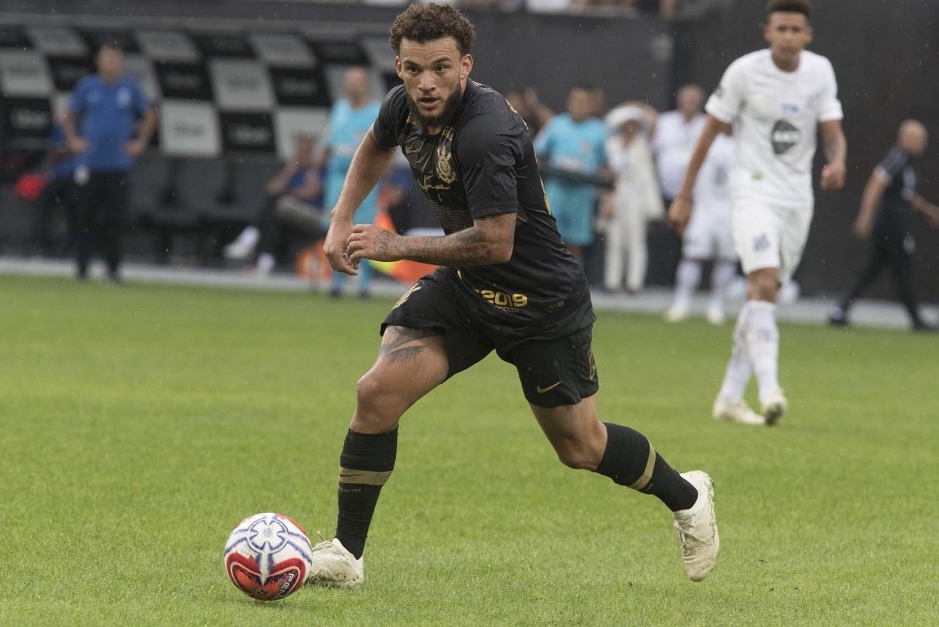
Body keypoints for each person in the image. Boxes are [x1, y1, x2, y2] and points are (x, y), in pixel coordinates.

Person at [310, 2, 719, 589]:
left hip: (540, 300)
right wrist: (340, 218)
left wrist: (392, 242)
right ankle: (347, 557)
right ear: (397, 66)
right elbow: (376, 145)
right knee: (377, 393)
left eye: (442, 69)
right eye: (413, 68)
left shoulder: (485, 132)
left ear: (466, 65)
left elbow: (497, 243)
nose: (427, 83)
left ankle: (688, 496)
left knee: (581, 447)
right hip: (467, 288)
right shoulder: (404, 104)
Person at [668, 0, 846, 426]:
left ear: (808, 35)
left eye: (795, 30)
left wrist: (837, 161)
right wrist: (685, 195)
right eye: (781, 28)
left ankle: (730, 396)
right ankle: (769, 389)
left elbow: (832, 132)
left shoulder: (820, 71)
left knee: (763, 295)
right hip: (752, 193)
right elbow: (708, 134)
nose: (788, 37)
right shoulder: (744, 72)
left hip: (797, 199)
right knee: (763, 283)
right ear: (767, 31)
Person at [828, 120, 939, 331]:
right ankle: (916, 319)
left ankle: (840, 309)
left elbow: (905, 194)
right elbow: (876, 182)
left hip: (891, 228)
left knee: (871, 270)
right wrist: (865, 216)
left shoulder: (907, 163)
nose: (922, 144)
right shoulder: (897, 157)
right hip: (891, 227)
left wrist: (926, 209)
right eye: (918, 139)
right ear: (904, 138)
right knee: (903, 272)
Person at [63, 41, 157, 282]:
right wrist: (73, 139)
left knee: (115, 219)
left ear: (121, 62)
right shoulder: (88, 86)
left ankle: (113, 269)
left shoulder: (129, 87)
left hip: (118, 166)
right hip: (90, 164)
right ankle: (82, 268)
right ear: (99, 61)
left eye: (115, 59)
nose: (111, 63)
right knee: (85, 217)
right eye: (107, 58)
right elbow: (68, 113)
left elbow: (149, 115)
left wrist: (141, 141)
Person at [223, 133, 325, 276]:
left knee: (278, 202)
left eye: (306, 150)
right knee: (274, 213)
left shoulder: (318, 169)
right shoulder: (293, 169)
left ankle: (250, 237)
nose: (302, 154)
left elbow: (312, 191)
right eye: (300, 150)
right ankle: (265, 260)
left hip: (312, 214)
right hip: (287, 212)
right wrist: (289, 170)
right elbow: (271, 189)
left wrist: (312, 170)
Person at [664, 133, 738, 325]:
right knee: (692, 255)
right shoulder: (704, 137)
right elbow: (681, 164)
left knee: (726, 259)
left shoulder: (746, 141)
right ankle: (681, 303)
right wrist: (683, 198)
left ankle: (717, 306)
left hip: (732, 210)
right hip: (704, 208)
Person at [324, 67, 383, 298]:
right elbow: (328, 143)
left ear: (366, 84)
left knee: (362, 231)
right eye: (349, 82)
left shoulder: (375, 112)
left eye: (357, 82)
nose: (353, 86)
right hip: (336, 177)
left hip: (364, 179)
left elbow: (383, 149)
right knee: (335, 227)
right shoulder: (338, 109)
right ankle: (336, 283)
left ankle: (363, 284)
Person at [534, 84, 609, 262]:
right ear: (569, 102)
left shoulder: (600, 130)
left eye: (584, 101)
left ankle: (574, 285)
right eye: (576, 101)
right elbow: (536, 154)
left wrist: (606, 195)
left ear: (591, 105)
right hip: (556, 191)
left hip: (582, 195)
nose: (579, 105)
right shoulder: (556, 125)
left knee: (576, 242)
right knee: (550, 239)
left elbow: (607, 165)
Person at [601, 102, 663, 294]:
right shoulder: (610, 145)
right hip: (615, 195)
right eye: (627, 123)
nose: (630, 127)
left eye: (634, 123)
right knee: (614, 240)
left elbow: (654, 120)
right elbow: (606, 174)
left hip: (636, 196)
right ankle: (612, 282)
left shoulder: (643, 145)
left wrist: (634, 105)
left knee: (636, 240)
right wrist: (606, 200)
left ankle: (634, 283)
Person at [648, 84, 706, 287]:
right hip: (665, 191)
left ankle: (685, 285)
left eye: (695, 99)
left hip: (695, 194)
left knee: (691, 240)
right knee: (663, 236)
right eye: (688, 98)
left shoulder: (707, 124)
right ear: (679, 100)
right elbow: (651, 153)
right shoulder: (664, 122)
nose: (692, 103)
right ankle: (658, 280)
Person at [28, 123, 79, 257]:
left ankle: (71, 246)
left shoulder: (90, 124)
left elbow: (88, 150)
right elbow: (52, 155)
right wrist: (70, 148)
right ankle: (41, 245)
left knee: (75, 206)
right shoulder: (61, 127)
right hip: (60, 177)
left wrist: (69, 149)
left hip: (81, 178)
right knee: (43, 203)